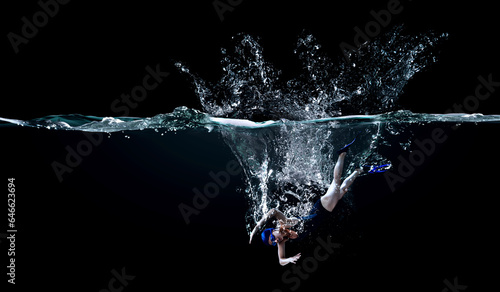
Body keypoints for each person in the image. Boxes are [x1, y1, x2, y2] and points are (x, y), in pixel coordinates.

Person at [248, 137, 390, 265]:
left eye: (273, 239)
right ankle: (360, 170)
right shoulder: (283, 241)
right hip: (324, 213)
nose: (276, 241)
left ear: (273, 232)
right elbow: (281, 261)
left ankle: (342, 154)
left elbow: (273, 211)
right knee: (343, 190)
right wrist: (288, 259)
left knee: (336, 183)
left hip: (321, 208)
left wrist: (255, 228)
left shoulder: (284, 223)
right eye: (273, 243)